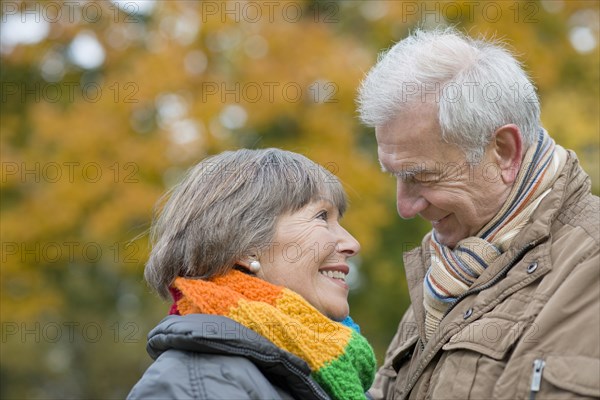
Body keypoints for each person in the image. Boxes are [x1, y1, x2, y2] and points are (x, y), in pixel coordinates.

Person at [357, 27, 599, 399]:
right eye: (395, 177)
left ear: (503, 151)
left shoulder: (588, 268)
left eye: (421, 176)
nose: (404, 207)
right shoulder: (448, 271)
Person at [127, 148, 376, 399]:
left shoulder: (321, 371)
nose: (352, 243)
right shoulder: (194, 386)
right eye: (322, 216)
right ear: (246, 248)